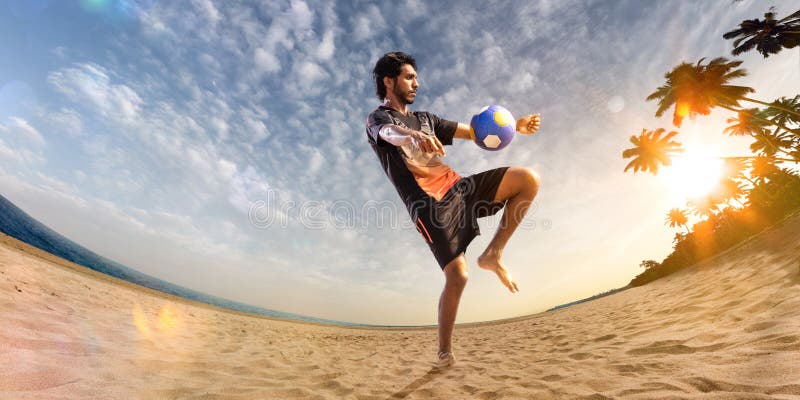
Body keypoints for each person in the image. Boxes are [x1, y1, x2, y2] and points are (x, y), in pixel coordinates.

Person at [365, 52, 541, 368]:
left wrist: (514, 125)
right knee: (458, 275)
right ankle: (444, 350)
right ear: (388, 81)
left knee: (528, 180)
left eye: (416, 77)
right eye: (408, 77)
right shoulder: (378, 119)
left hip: (459, 188)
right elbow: (390, 134)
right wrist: (412, 135)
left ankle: (494, 254)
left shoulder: (426, 119)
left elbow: (473, 131)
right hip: (427, 204)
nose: (416, 82)